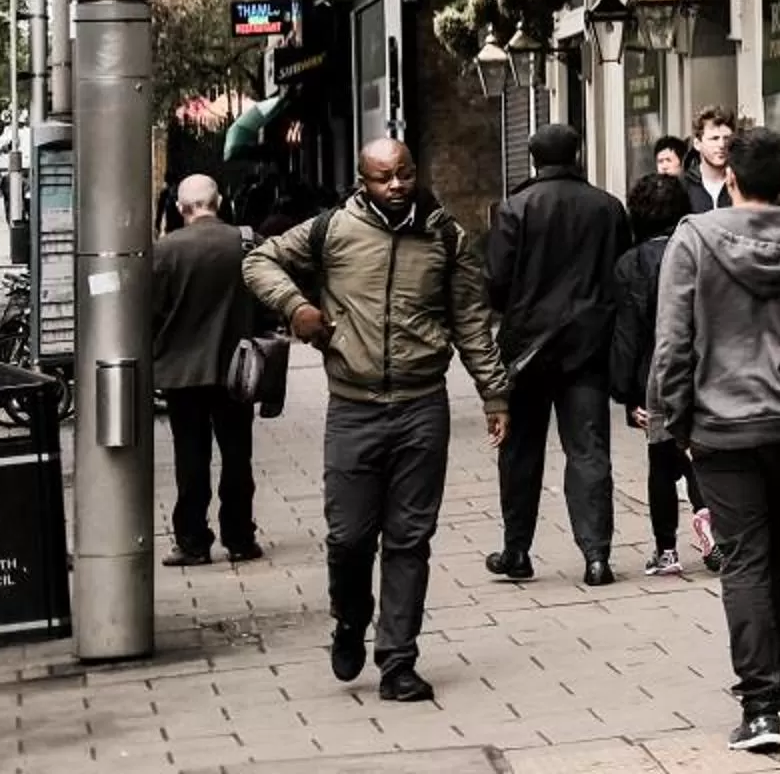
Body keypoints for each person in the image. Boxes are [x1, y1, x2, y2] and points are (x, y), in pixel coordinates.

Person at [244, 140, 511, 703]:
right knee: (348, 538)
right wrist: (296, 308)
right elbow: (258, 260)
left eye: (405, 174)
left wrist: (494, 394)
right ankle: (349, 617)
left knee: (411, 538)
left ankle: (398, 661)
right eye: (383, 177)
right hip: (353, 406)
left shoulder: (444, 236)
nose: (396, 186)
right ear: (363, 180)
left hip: (421, 406)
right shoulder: (332, 230)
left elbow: (469, 318)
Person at [650, 125, 780, 754]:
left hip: (720, 421)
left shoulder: (695, 238)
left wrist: (668, 420)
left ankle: (759, 705)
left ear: (729, 176)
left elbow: (673, 341)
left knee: (743, 557)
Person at [486, 121, 632, 586]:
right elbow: (621, 273)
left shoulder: (514, 208)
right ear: (578, 154)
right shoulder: (608, 208)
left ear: (533, 159)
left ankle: (517, 550)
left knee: (520, 452)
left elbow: (496, 283)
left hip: (527, 349)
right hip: (588, 348)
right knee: (589, 451)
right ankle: (596, 556)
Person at [152, 172, 266, 566]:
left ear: (181, 208)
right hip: (238, 369)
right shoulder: (247, 242)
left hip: (182, 373)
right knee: (237, 455)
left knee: (190, 457)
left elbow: (150, 312)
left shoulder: (165, 251)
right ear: (219, 202)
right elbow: (268, 299)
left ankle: (193, 540)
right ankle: (239, 536)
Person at [609, 171, 701, 579]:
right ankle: (711, 527)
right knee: (699, 458)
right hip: (700, 370)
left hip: (655, 379)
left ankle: (666, 550)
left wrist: (626, 393)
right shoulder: (698, 250)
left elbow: (626, 335)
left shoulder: (630, 264)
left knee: (661, 465)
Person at [686, 108, 735, 215]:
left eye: (726, 138)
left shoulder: (741, 183)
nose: (722, 145)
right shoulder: (684, 186)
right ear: (697, 144)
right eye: (714, 138)